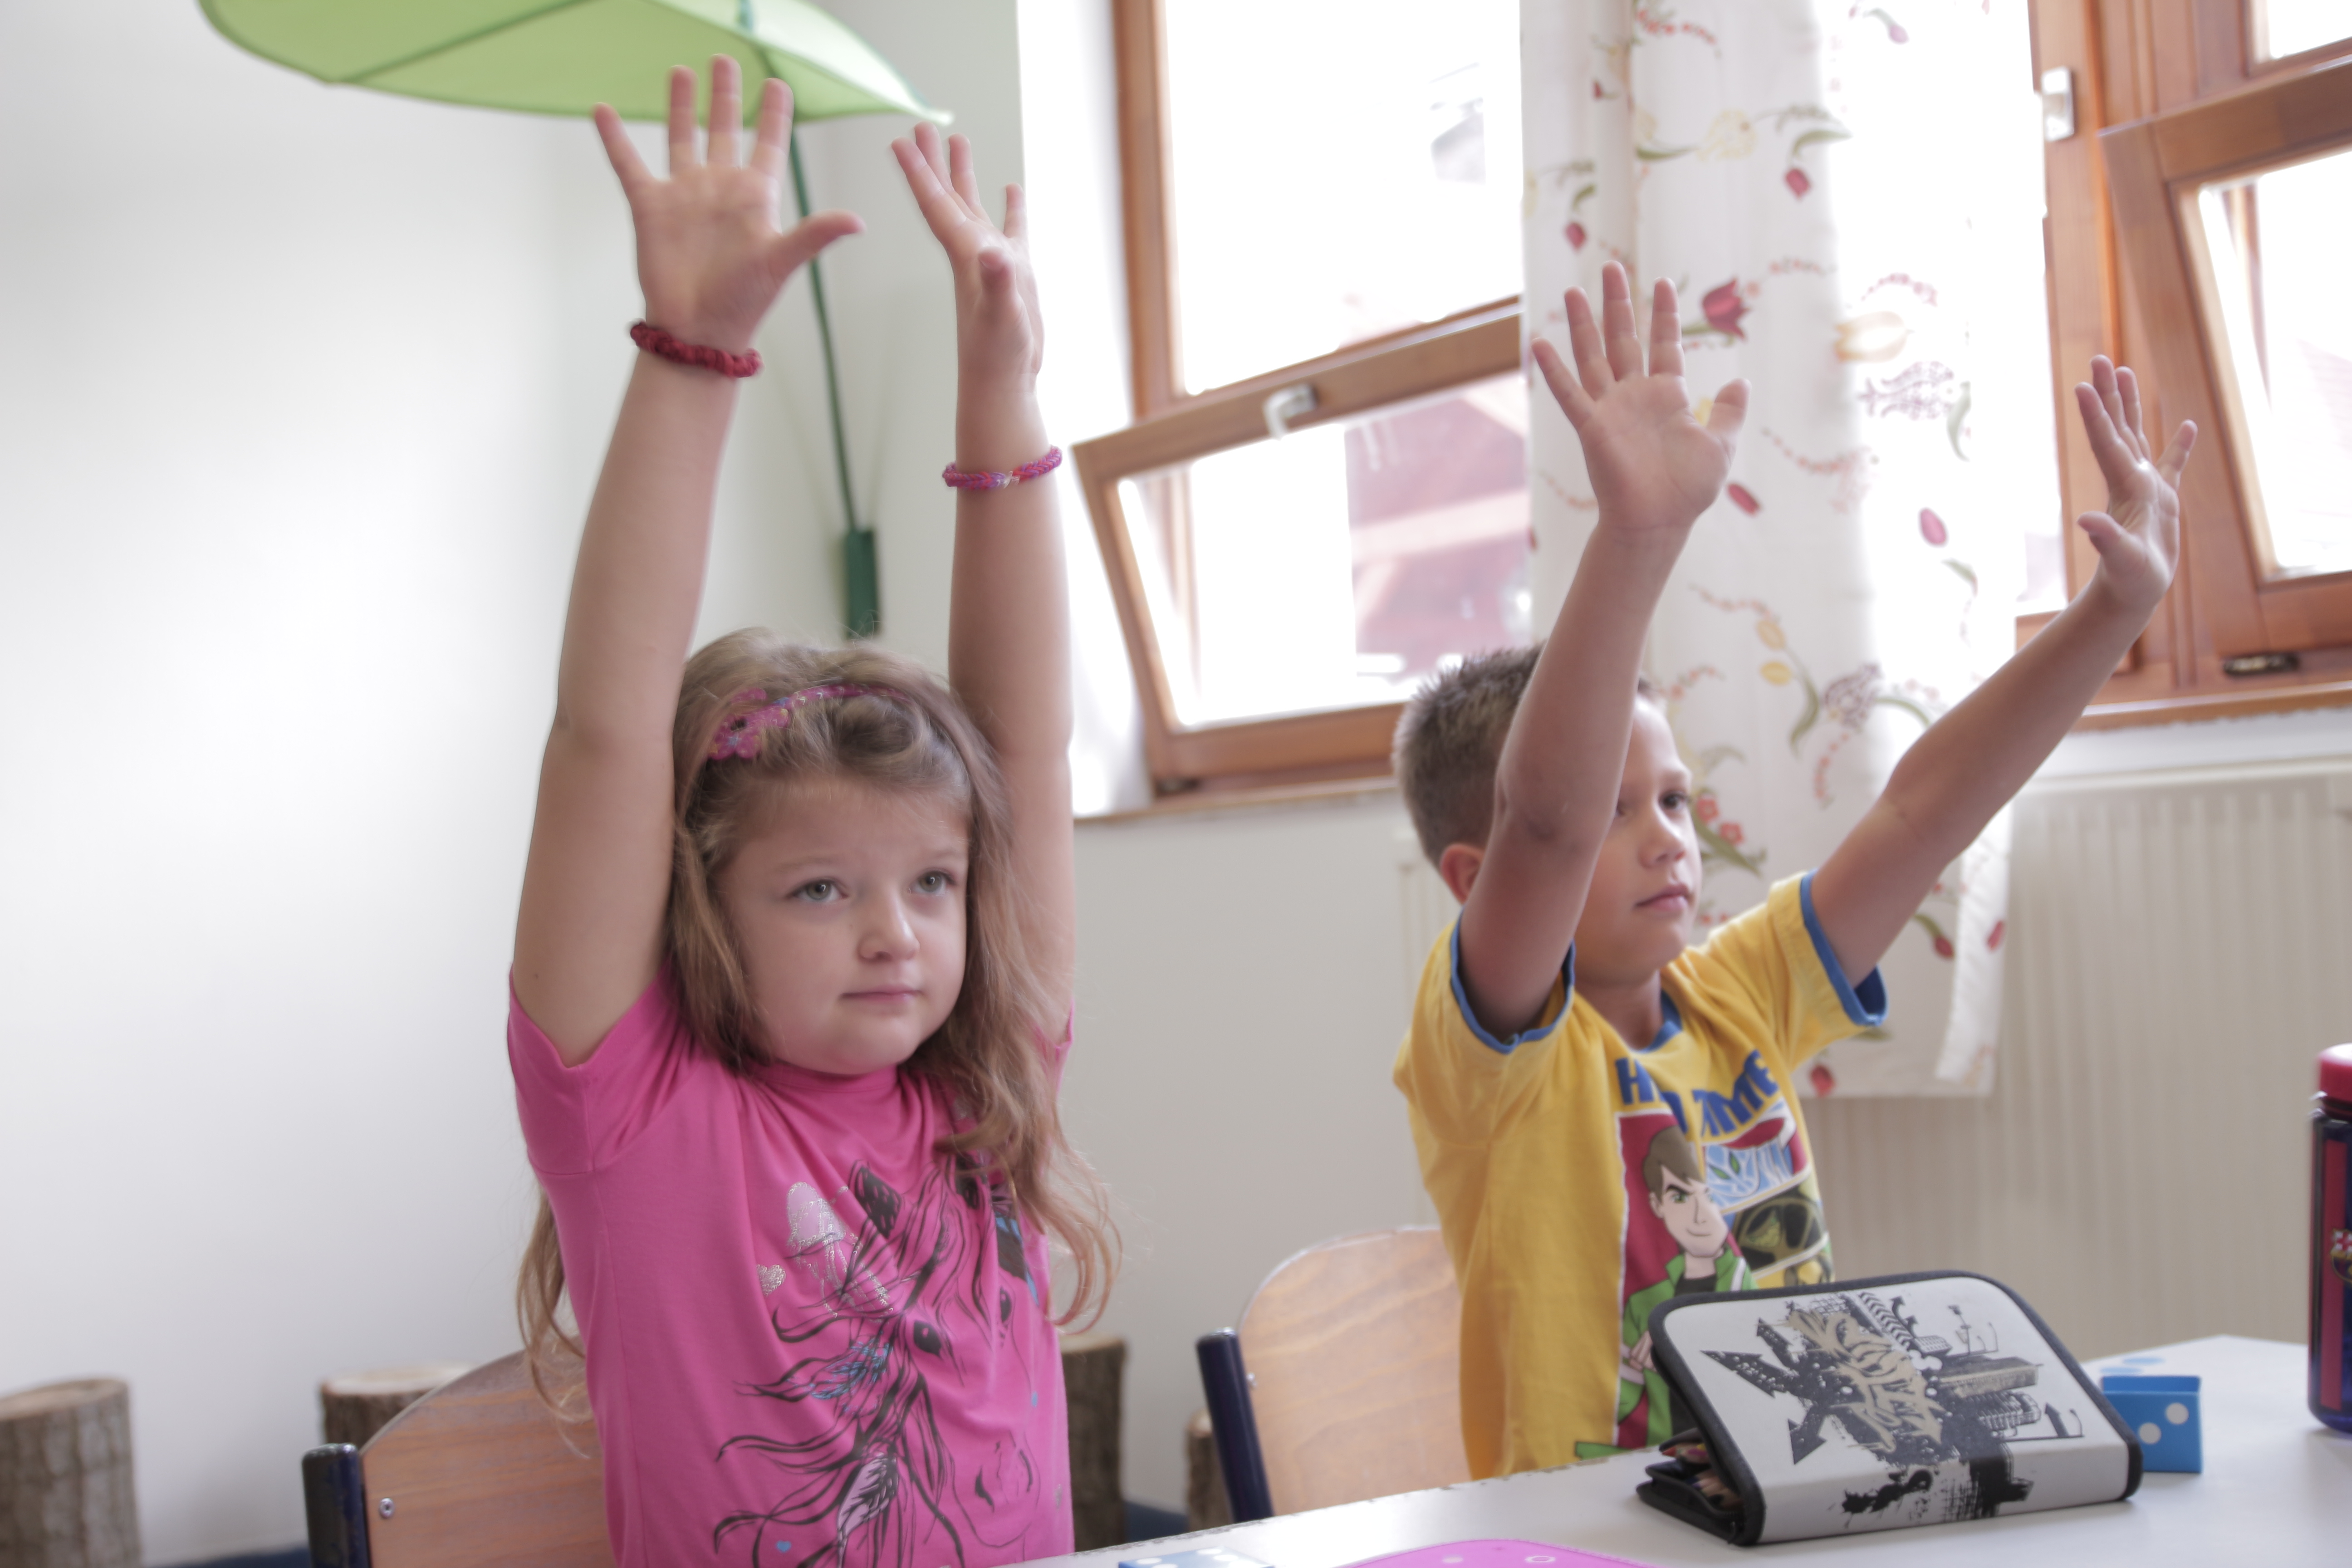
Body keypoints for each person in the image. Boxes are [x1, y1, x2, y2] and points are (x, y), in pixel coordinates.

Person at [1390, 260, 2193, 1475]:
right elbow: (1542, 824)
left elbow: (1919, 817)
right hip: (1583, 1535)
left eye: (1673, 799)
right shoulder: (1497, 1057)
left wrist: (2111, 614)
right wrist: (1638, 539)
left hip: (1794, 1502)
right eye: (1617, 813)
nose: (1668, 835)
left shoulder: (1737, 996)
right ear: (1473, 879)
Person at [505, 58, 1111, 1568]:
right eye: (820, 890)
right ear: (697, 904)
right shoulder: (636, 1115)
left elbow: (1026, 750)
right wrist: (691, 359)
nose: (896, 932)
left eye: (931, 882)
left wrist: (1004, 389)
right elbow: (603, 737)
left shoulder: (987, 1088)